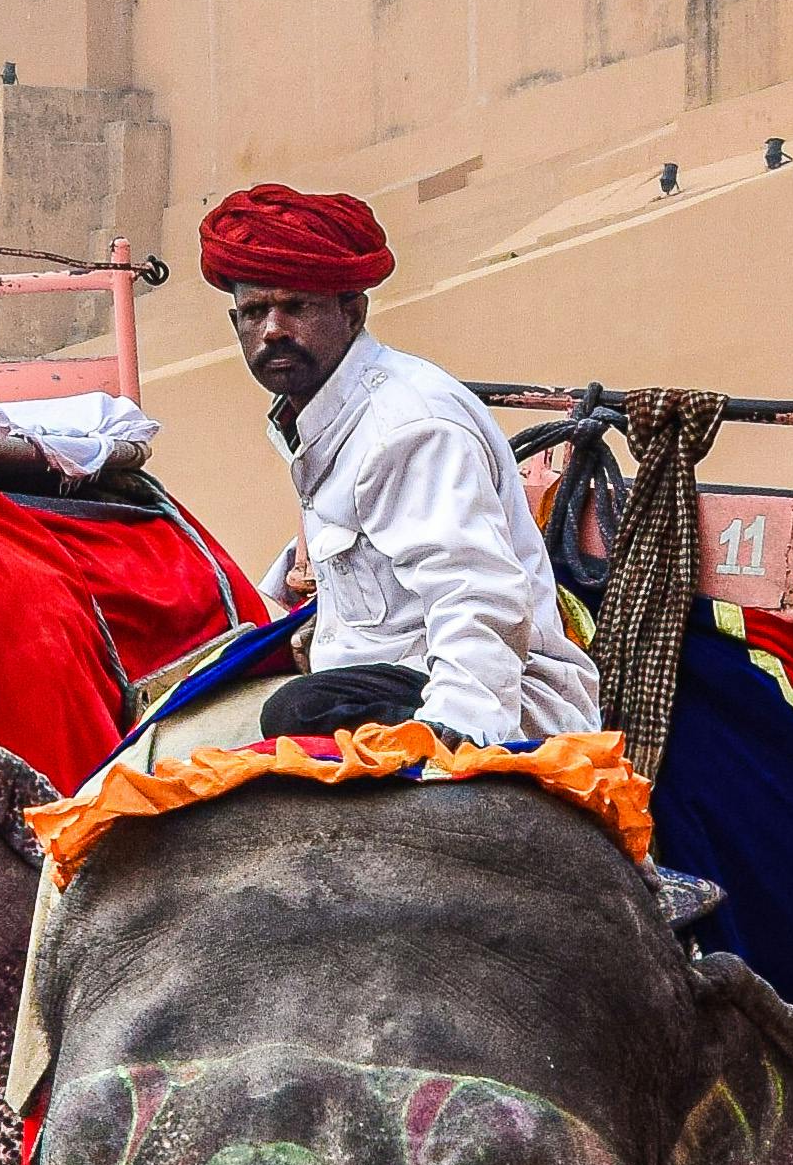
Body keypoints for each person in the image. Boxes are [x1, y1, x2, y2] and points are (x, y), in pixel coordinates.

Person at [198, 179, 597, 750]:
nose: (273, 330)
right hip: (379, 678)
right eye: (254, 311)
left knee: (299, 709)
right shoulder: (316, 416)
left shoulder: (408, 425)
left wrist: (459, 731)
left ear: (352, 310)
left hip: (482, 696)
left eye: (295, 307)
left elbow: (476, 589)